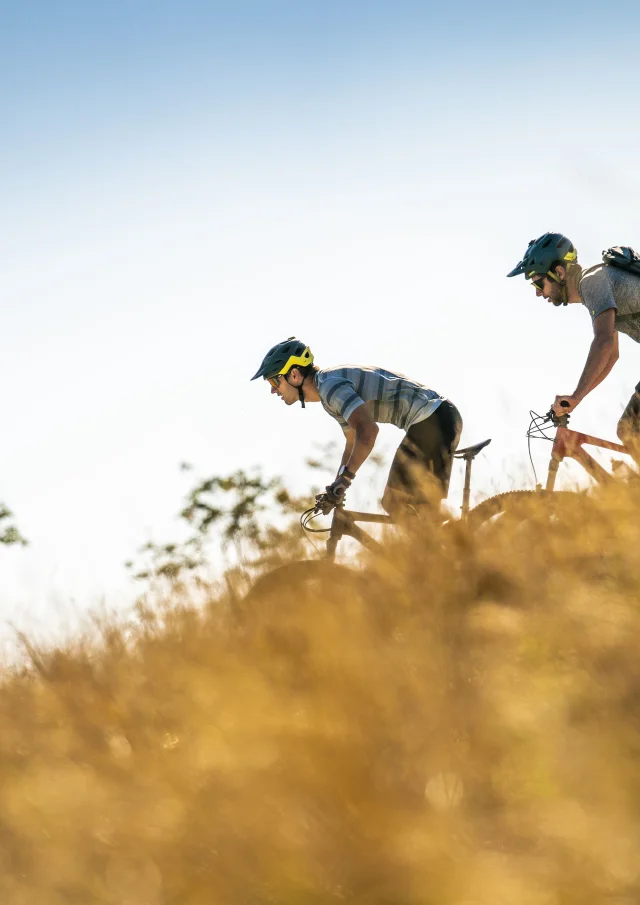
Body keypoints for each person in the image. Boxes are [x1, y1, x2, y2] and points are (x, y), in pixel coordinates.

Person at [251, 337, 462, 516]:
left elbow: (368, 432)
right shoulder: (328, 390)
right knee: (422, 512)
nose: (273, 391)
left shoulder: (330, 387)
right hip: (440, 417)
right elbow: (352, 441)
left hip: (431, 420)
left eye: (274, 382)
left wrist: (345, 480)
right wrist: (336, 487)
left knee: (394, 501)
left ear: (294, 375)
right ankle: (461, 544)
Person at [507, 232, 640, 450]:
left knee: (631, 430)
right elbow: (611, 356)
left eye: (538, 283)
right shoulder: (598, 286)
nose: (538, 294)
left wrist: (577, 395)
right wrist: (576, 399)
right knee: (630, 431)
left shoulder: (592, 282)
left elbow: (604, 342)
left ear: (559, 272)